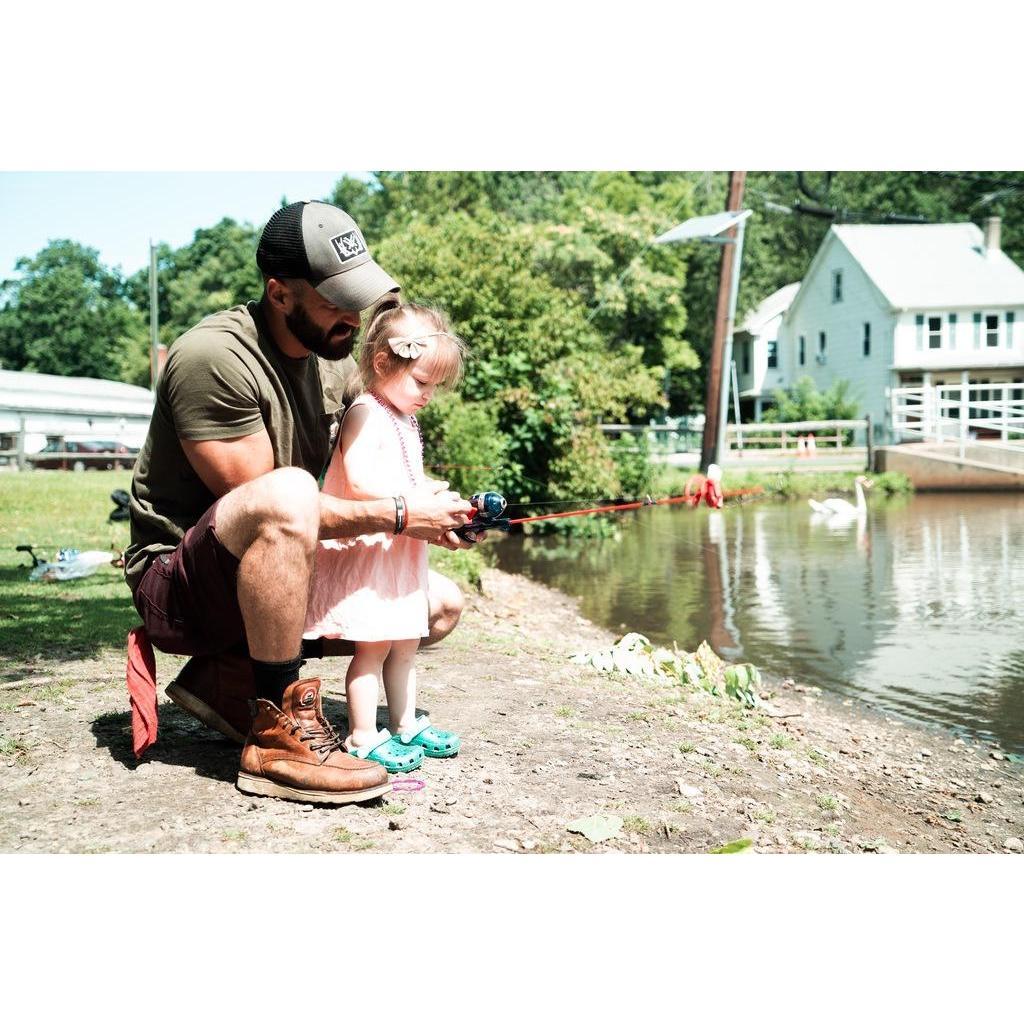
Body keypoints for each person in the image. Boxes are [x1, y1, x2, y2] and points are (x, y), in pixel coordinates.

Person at [124, 200, 473, 805]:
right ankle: (273, 741)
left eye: (359, 296)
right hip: (180, 585)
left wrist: (435, 516)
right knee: (289, 491)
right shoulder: (214, 358)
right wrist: (399, 515)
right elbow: (281, 511)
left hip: (274, 570)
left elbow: (353, 484)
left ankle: (232, 677)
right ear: (280, 293)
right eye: (335, 299)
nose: (353, 316)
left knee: (437, 605)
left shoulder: (334, 366)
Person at [304, 302, 466, 774]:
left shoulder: (405, 418)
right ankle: (361, 735)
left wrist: (430, 492)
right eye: (421, 382)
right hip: (371, 551)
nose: (428, 394)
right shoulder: (365, 412)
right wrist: (413, 498)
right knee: (371, 650)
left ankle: (404, 722)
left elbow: (402, 473)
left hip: (399, 551)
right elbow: (358, 481)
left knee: (405, 643)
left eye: (434, 386)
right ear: (382, 364)